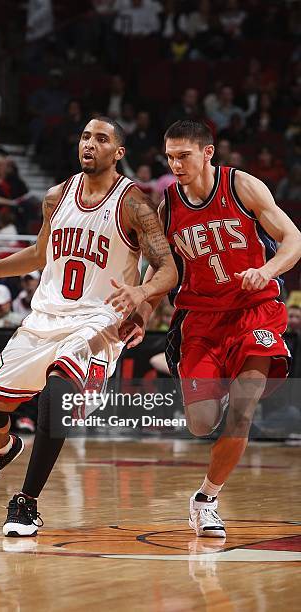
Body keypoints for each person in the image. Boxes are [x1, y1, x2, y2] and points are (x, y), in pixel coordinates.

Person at [0, 116, 177, 536]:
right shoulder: (57, 196)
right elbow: (40, 254)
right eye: (84, 136)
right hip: (44, 317)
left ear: (119, 153)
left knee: (56, 397)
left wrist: (141, 296)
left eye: (101, 138)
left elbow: (167, 269)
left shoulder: (133, 204)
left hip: (98, 319)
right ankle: (2, 449)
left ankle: (26, 503)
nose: (89, 144)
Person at [126, 120, 301, 538]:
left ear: (208, 152)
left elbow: (293, 238)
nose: (175, 164)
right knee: (202, 424)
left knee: (244, 408)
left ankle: (206, 498)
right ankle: (213, 399)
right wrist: (141, 315)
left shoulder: (243, 187)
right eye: (169, 157)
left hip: (254, 312)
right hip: (201, 321)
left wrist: (269, 269)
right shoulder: (166, 208)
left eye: (183, 155)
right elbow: (160, 271)